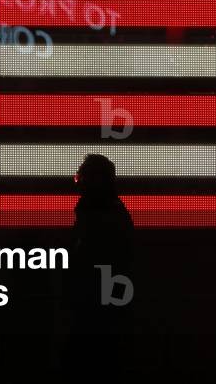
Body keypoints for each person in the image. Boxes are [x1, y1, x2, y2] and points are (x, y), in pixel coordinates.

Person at [63, 153, 136, 382]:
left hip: (95, 307)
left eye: (80, 178)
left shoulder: (98, 218)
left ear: (93, 181)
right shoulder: (114, 213)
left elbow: (87, 259)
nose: (78, 184)